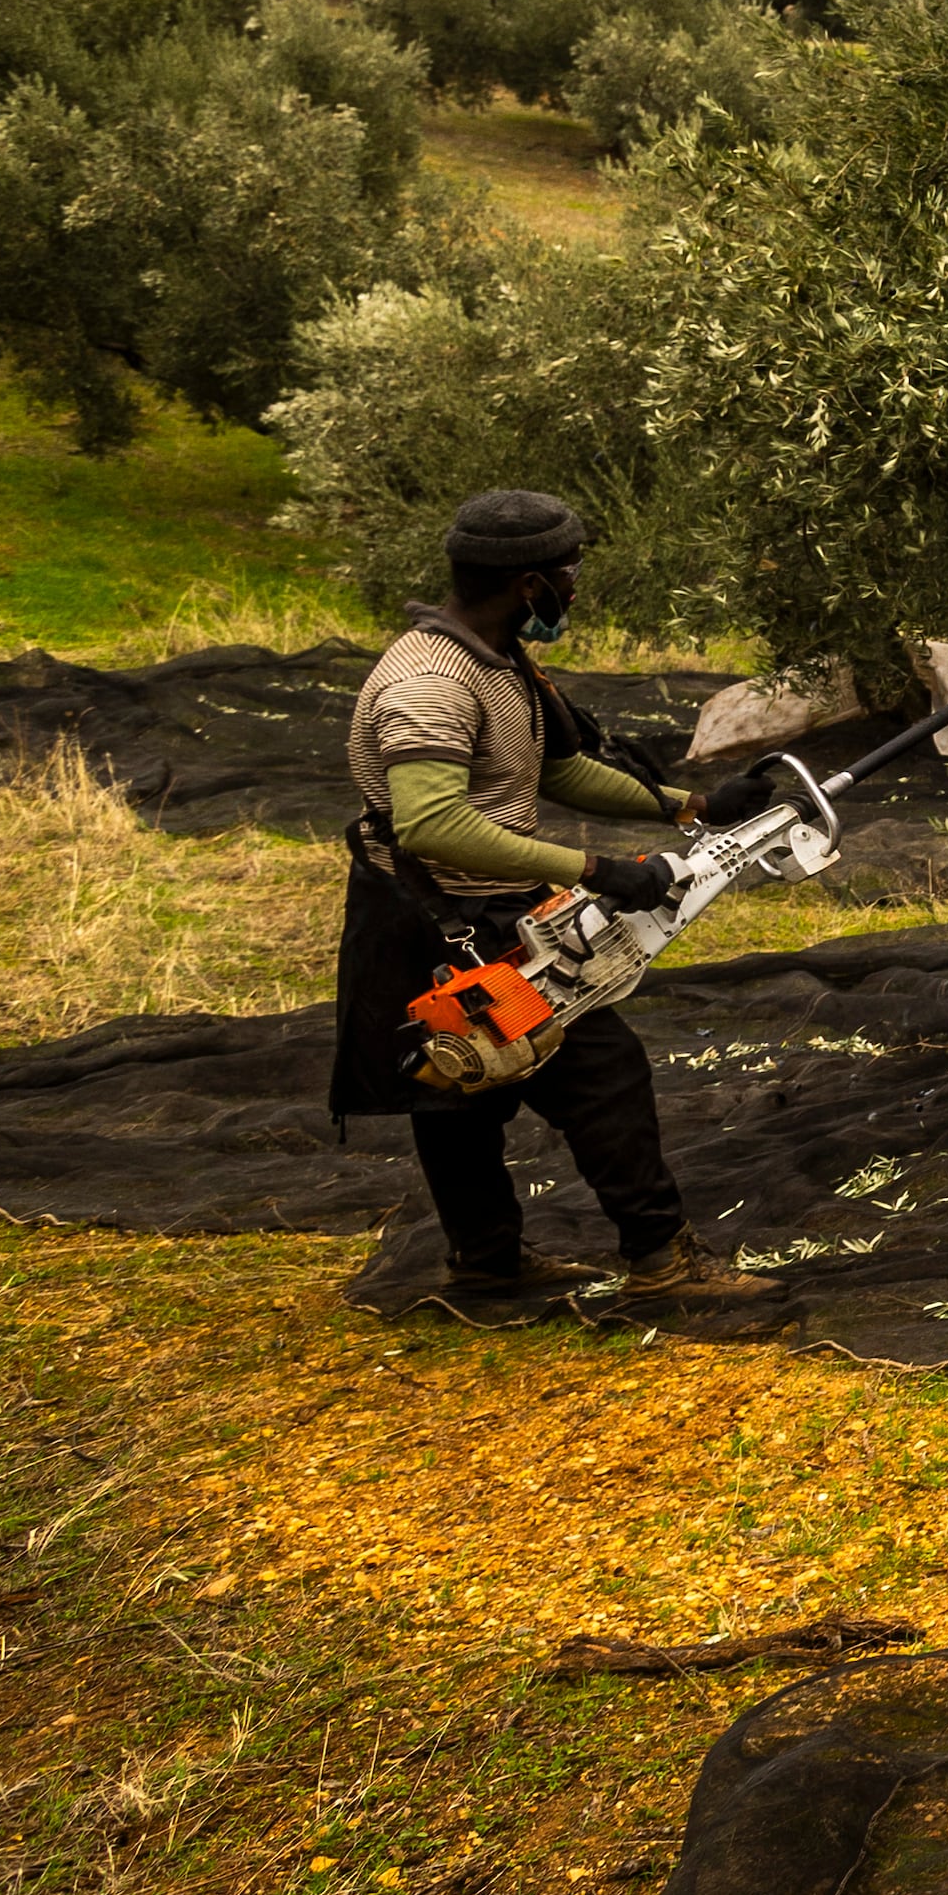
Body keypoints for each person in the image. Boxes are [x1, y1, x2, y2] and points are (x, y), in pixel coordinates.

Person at [331, 489, 774, 1312]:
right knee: (577, 1074)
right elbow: (431, 822)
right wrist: (594, 869)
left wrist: (690, 805)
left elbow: (556, 770)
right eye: (567, 575)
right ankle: (659, 1259)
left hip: (487, 903)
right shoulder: (432, 681)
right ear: (529, 583)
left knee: (463, 1091)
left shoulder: (499, 660)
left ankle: (488, 1261)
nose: (576, 588)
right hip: (437, 915)